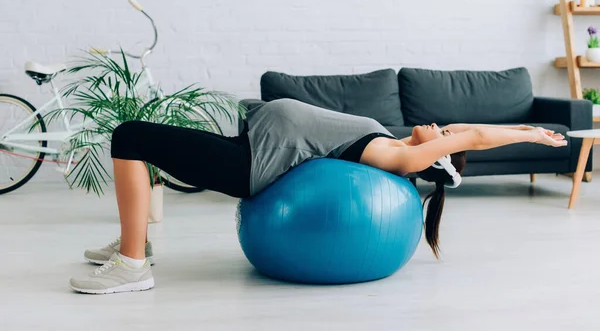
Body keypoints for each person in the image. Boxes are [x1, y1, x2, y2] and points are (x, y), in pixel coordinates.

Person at [69, 98, 566, 294]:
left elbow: (470, 140)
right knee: (137, 138)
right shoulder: (396, 142)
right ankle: (133, 243)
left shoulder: (398, 160)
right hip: (251, 144)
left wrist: (528, 138)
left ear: (436, 160)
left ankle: (133, 264)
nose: (442, 126)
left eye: (443, 136)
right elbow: (468, 129)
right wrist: (522, 124)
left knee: (130, 135)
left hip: (251, 166)